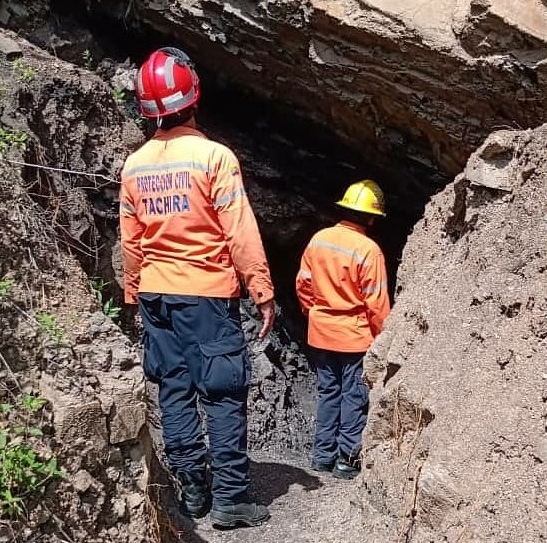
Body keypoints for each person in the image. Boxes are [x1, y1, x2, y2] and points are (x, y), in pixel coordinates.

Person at [119, 47, 274, 528]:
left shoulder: (134, 166)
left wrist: (132, 293)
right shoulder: (214, 158)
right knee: (224, 392)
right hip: (205, 294)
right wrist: (261, 289)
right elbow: (239, 229)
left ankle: (193, 491)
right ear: (194, 97)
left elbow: (131, 240)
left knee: (175, 391)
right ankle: (230, 500)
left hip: (155, 296)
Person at [295, 180, 391, 480]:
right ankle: (346, 460)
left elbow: (303, 285)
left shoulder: (319, 239)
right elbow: (377, 303)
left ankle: (321, 457)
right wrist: (382, 339)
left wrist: (314, 313)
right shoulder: (369, 250)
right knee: (354, 397)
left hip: (321, 333)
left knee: (328, 393)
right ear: (372, 218)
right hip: (355, 337)